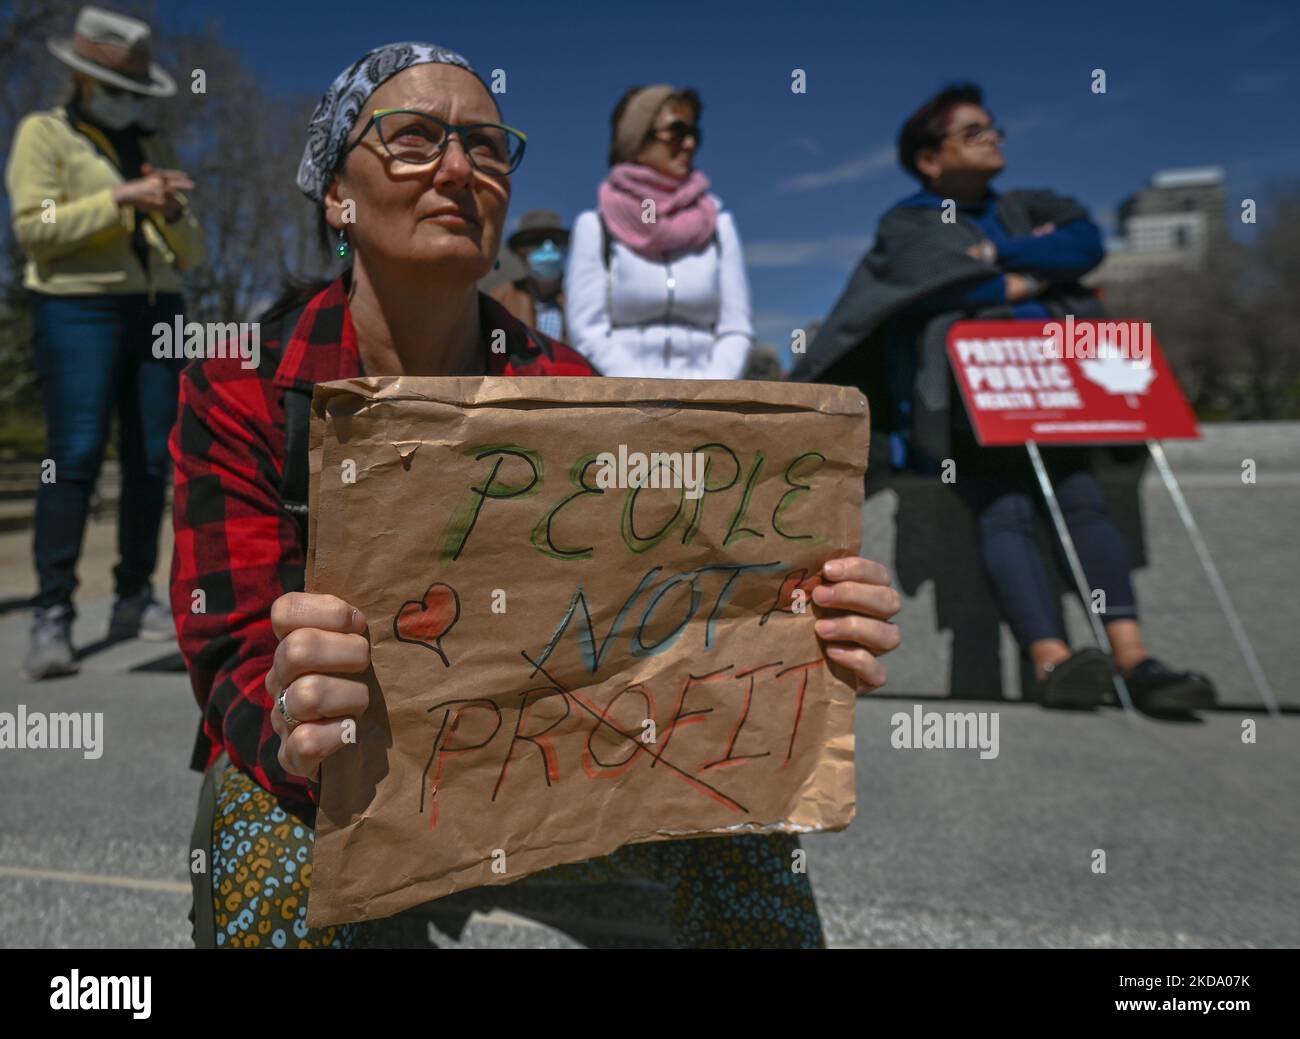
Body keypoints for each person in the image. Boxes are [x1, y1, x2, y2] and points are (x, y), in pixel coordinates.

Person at [170, 42, 901, 949]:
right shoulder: (242, 383)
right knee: (268, 858)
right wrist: (290, 710)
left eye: (484, 146)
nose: (456, 168)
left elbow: (669, 597)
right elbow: (228, 642)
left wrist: (802, 617)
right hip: (328, 772)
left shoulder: (568, 386)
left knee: (752, 831)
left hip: (544, 768)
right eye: (412, 138)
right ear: (336, 196)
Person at [791, 83, 1214, 715]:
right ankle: (1054, 661)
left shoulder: (1027, 204)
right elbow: (935, 282)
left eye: (994, 130)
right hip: (970, 406)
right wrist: (1034, 272)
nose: (993, 139)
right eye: (973, 132)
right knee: (1004, 507)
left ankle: (1135, 661)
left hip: (1062, 389)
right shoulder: (909, 221)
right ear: (930, 159)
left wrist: (997, 256)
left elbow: (1084, 244)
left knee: (1083, 500)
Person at [5, 5, 205, 679]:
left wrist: (172, 214)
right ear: (85, 80)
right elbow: (37, 226)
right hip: (76, 308)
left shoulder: (150, 149)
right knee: (76, 452)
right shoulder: (44, 133)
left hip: (155, 309)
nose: (127, 102)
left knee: (153, 456)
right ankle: (52, 610)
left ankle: (131, 595)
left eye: (135, 92)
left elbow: (193, 253)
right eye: (118, 89)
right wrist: (122, 198)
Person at [564, 85, 753, 378]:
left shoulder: (719, 223)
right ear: (637, 143)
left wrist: (706, 395)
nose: (689, 143)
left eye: (694, 133)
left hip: (710, 407)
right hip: (622, 405)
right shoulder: (594, 227)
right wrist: (647, 397)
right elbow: (588, 332)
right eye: (676, 131)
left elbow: (736, 328)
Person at [488, 208, 569, 339]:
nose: (548, 246)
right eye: (536, 240)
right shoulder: (499, 300)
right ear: (520, 253)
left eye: (555, 239)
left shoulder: (582, 301)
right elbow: (495, 348)